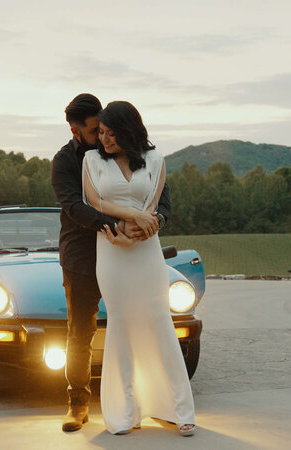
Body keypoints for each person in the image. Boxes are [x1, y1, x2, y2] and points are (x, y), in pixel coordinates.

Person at [51, 94, 171, 432]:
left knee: (141, 322)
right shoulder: (65, 162)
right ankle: (77, 404)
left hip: (130, 252)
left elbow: (163, 202)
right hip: (83, 256)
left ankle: (150, 399)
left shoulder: (134, 154)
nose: (102, 137)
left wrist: (152, 223)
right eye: (94, 131)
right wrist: (118, 225)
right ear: (76, 130)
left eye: (105, 129)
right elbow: (76, 207)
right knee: (81, 333)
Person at [82, 100, 196, 436]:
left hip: (146, 251)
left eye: (111, 133)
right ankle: (126, 411)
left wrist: (142, 228)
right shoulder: (92, 160)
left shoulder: (156, 160)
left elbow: (153, 206)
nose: (104, 139)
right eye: (101, 133)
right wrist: (129, 223)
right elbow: (96, 202)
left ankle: (180, 409)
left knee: (159, 320)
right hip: (112, 248)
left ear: (129, 130)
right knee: (121, 323)